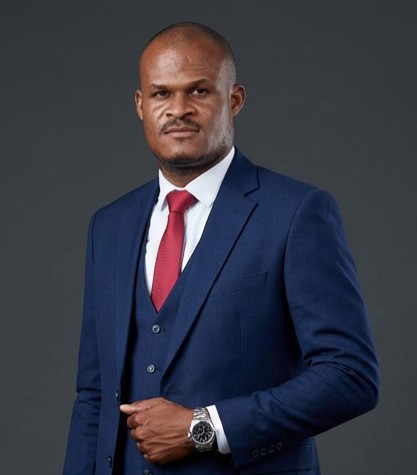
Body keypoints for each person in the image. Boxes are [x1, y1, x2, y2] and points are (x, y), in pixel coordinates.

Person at [63, 22, 379, 475]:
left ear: (234, 99)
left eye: (199, 91)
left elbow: (350, 376)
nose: (178, 110)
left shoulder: (296, 213)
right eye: (161, 93)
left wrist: (204, 427)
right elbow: (95, 395)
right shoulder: (109, 226)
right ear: (140, 105)